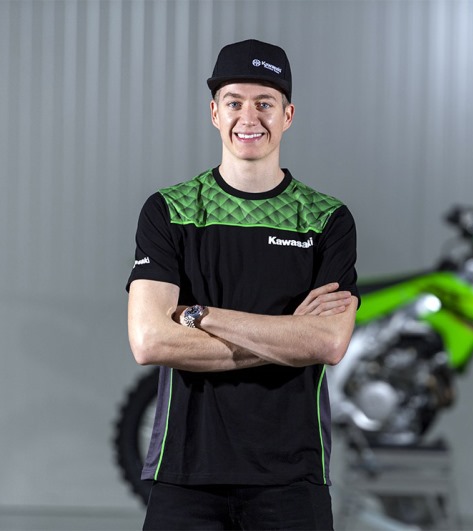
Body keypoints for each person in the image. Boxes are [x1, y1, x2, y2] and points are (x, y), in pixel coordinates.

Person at [126, 39, 359, 530]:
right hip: (185, 473)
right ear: (215, 112)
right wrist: (289, 338)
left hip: (293, 478)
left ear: (288, 115)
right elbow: (150, 341)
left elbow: (329, 342)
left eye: (264, 103)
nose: (248, 117)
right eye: (234, 102)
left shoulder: (326, 220)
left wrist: (200, 316)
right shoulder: (171, 210)